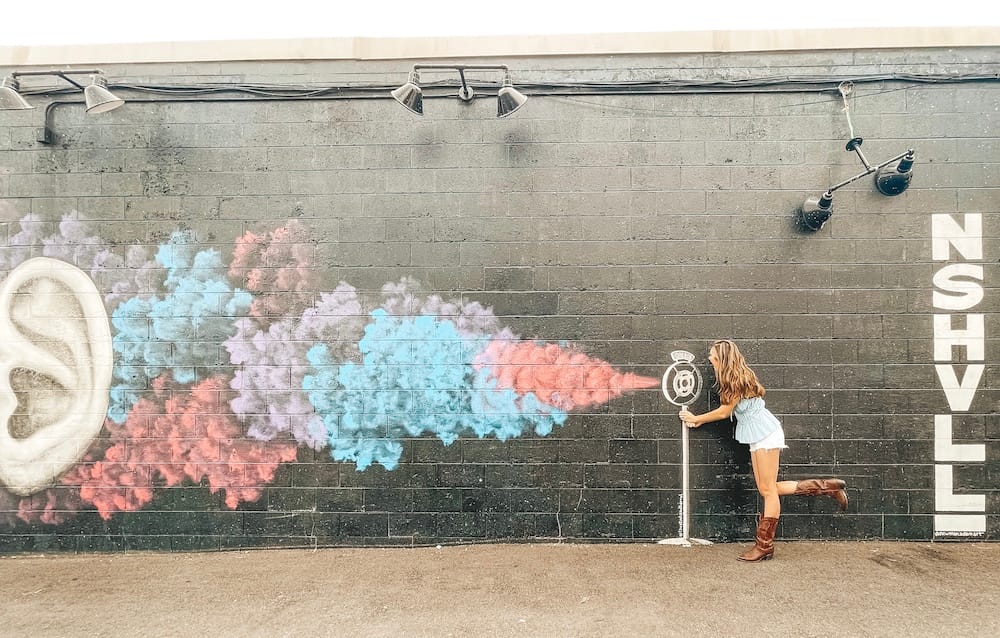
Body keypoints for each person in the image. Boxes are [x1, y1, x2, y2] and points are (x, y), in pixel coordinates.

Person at [678, 339, 847, 562]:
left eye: (713, 356)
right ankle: (828, 487)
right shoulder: (735, 377)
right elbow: (728, 410)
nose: (710, 359)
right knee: (768, 488)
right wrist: (699, 420)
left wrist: (696, 418)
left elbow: (724, 412)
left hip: (766, 434)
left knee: (768, 491)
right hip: (759, 435)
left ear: (723, 359)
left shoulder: (736, 379)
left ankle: (764, 546)